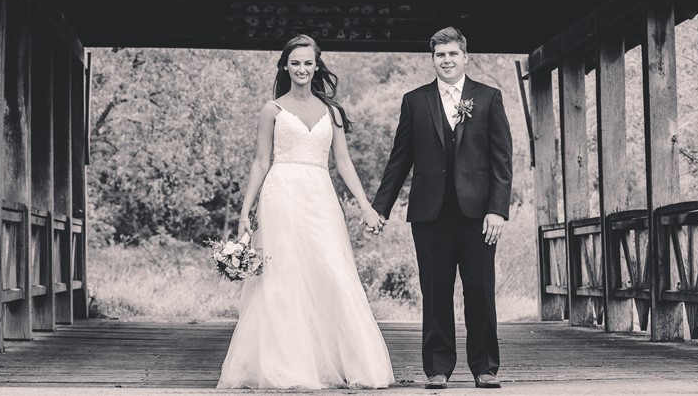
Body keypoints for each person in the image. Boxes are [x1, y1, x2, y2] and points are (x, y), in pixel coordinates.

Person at [217, 35, 394, 390]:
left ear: (317, 66)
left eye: (308, 63)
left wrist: (365, 206)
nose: (301, 69)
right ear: (285, 66)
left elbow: (343, 162)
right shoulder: (272, 109)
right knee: (284, 276)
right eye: (295, 63)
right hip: (280, 194)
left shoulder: (333, 112)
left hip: (320, 196)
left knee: (332, 270)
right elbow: (260, 161)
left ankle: (349, 363)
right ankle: (288, 366)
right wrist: (243, 214)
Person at [372, 27, 513, 390]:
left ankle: (485, 367)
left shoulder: (489, 98)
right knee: (435, 291)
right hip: (429, 215)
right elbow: (399, 161)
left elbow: (502, 161)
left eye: (452, 54)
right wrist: (380, 209)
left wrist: (497, 210)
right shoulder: (414, 101)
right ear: (432, 59)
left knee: (480, 290)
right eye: (440, 55)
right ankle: (437, 368)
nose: (447, 61)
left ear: (465, 57)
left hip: (478, 215)